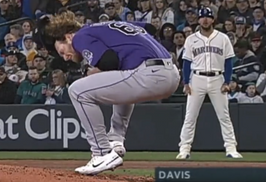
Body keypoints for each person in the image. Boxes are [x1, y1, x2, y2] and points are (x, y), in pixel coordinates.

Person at [42, 11, 180, 175]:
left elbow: (109, 61)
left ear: (68, 37)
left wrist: (93, 71)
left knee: (77, 91)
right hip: (171, 73)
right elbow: (150, 28)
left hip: (150, 74)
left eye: (62, 51)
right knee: (122, 77)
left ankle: (101, 152)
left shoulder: (80, 36)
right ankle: (116, 141)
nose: (65, 57)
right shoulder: (109, 26)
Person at [177, 7, 242, 160]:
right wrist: (186, 82)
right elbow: (186, 63)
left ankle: (231, 148)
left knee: (224, 115)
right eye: (202, 17)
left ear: (213, 19)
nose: (205, 20)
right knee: (190, 116)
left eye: (208, 17)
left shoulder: (223, 38)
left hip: (217, 78)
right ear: (198, 20)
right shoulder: (191, 39)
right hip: (197, 78)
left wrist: (227, 81)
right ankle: (184, 149)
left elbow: (228, 62)